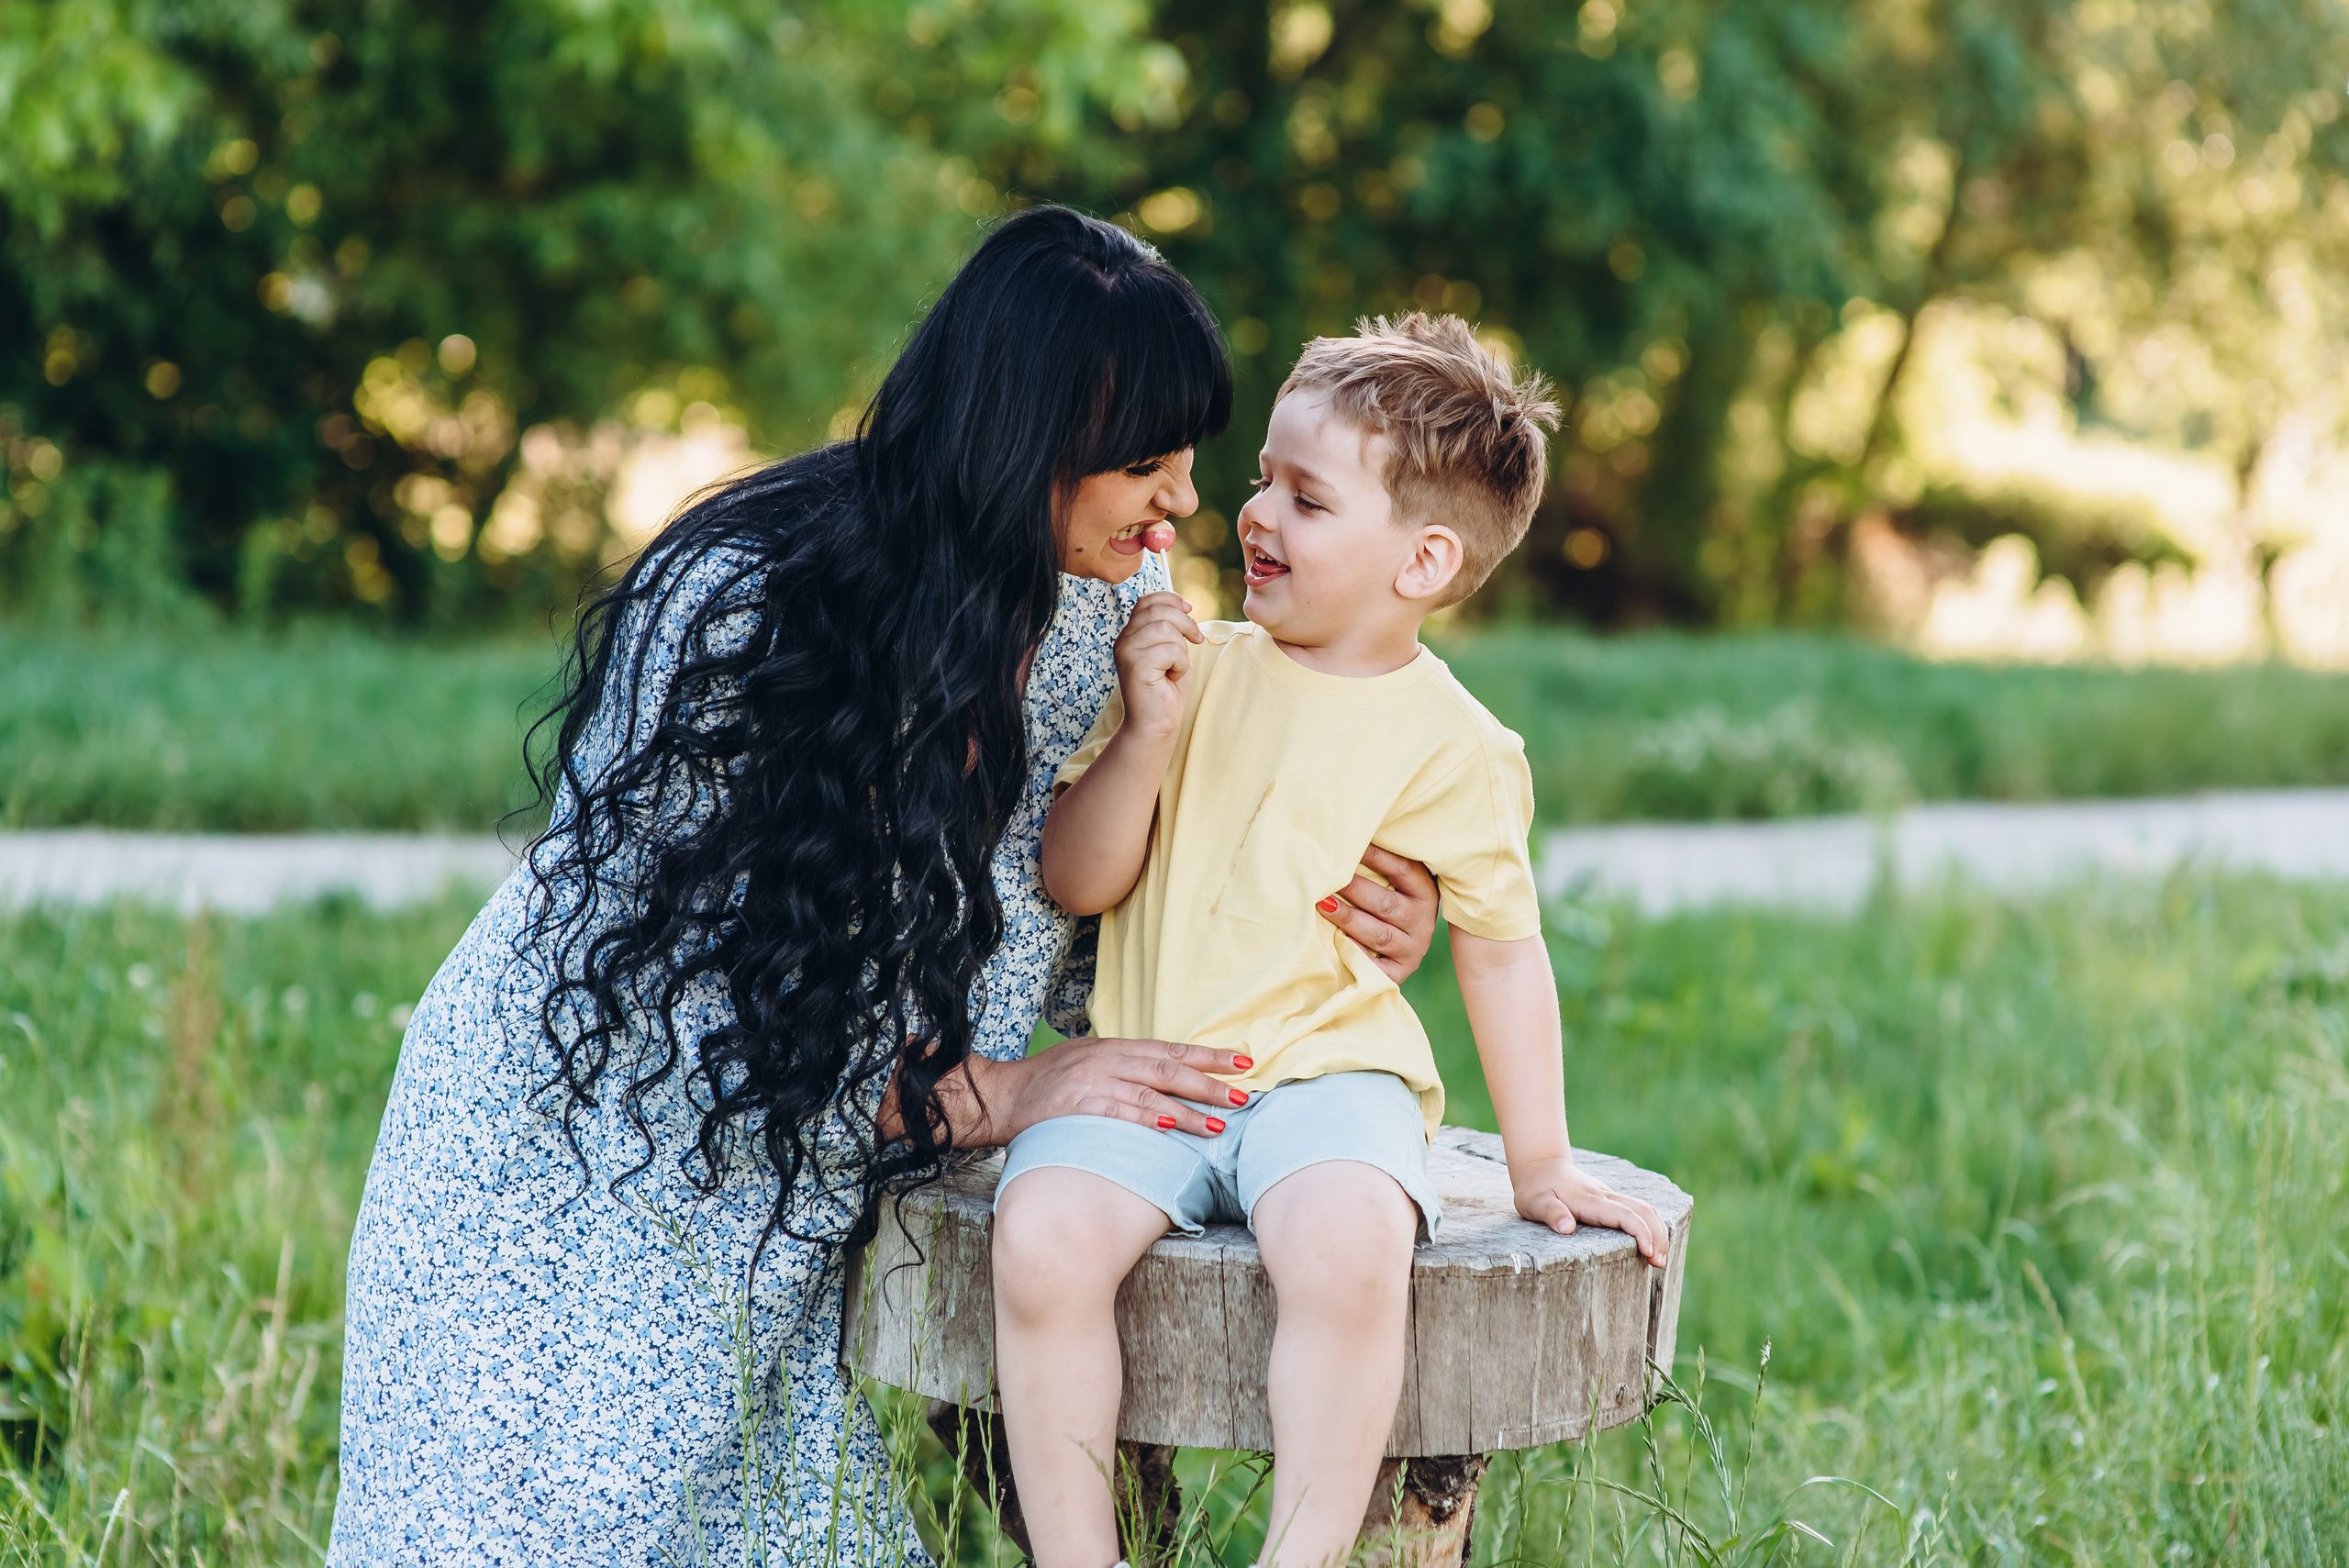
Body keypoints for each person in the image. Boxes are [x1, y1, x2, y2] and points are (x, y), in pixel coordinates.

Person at [328, 207, 1444, 1565]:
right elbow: (692, 1028)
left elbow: (1128, 892)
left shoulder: (1103, 602)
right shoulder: (746, 608)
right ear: (1028, 444)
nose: (1184, 504)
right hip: (564, 1194)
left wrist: (1361, 906)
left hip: (783, 1233)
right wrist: (1007, 1091)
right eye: (1145, 462)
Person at [992, 314, 1674, 1568]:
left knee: (1352, 1245)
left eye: (1304, 497)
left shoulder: (1459, 745)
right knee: (1038, 1239)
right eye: (1262, 477)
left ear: (1420, 561)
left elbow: (1502, 950)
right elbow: (1074, 877)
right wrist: (1144, 732)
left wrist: (1541, 1159)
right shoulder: (1192, 669)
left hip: (1327, 1081)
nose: (1253, 511)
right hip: (1144, 1070)